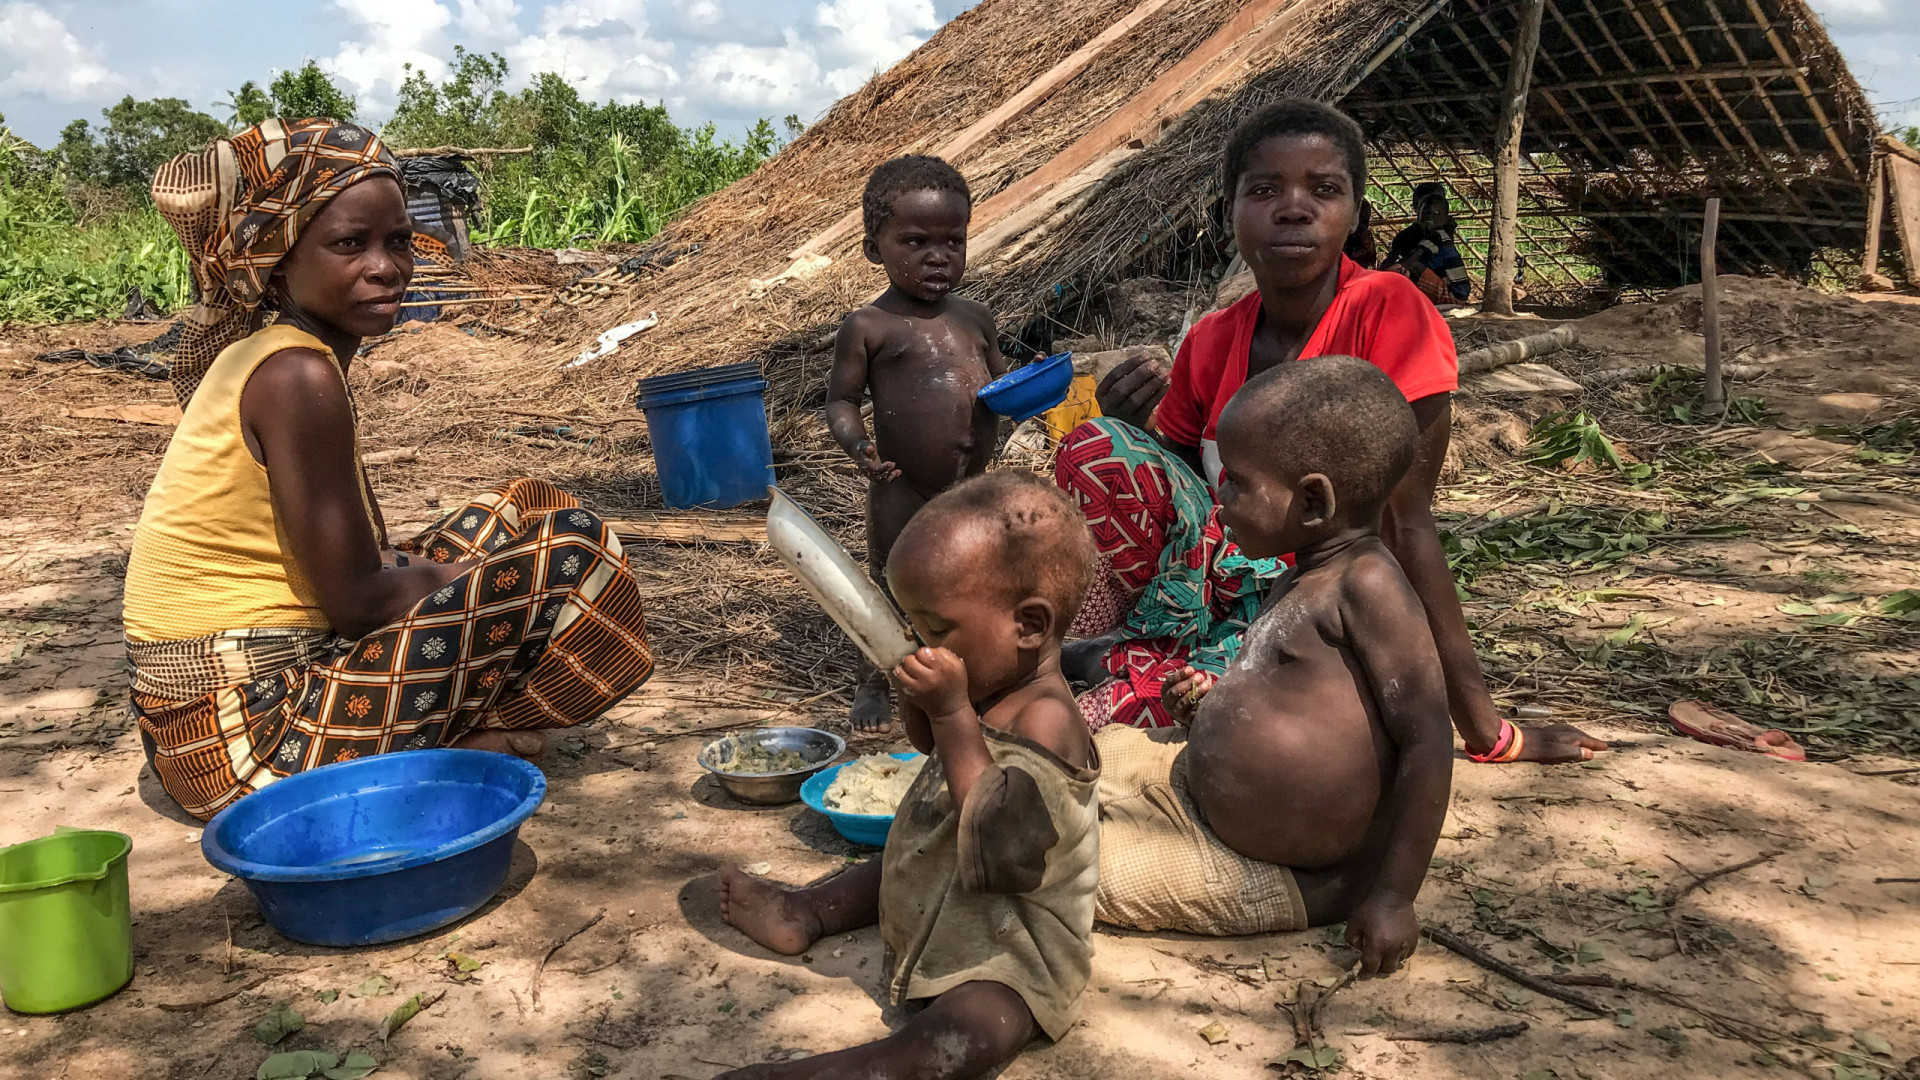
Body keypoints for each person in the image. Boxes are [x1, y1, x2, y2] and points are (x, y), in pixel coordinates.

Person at [125, 119, 654, 820]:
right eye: (350, 244)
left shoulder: (282, 355)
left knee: (526, 506)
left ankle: (444, 735)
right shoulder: (295, 377)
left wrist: (461, 577)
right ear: (279, 259)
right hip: (249, 748)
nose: (387, 266)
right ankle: (460, 739)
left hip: (205, 728)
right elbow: (358, 603)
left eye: (399, 240)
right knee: (571, 549)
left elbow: (361, 570)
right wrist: (482, 582)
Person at [1059, 98, 1601, 765]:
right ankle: (1117, 646)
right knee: (1096, 448)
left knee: (1141, 712)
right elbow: (1173, 503)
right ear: (1228, 214)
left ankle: (1123, 664)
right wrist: (1123, 424)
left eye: (1324, 189)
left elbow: (1407, 524)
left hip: (1322, 600)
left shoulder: (1389, 312)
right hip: (1207, 589)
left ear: (1355, 216)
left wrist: (1489, 731)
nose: (1293, 207)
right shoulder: (1210, 340)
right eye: (1264, 190)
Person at [716, 473, 1100, 1080]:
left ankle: (867, 1069)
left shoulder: (1047, 719)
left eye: (937, 630)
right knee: (895, 856)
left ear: (1028, 625)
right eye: (913, 628)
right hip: (946, 898)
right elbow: (932, 748)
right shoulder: (991, 679)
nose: (923, 645)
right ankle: (807, 910)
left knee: (974, 1029)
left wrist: (951, 711)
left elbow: (1002, 847)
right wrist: (923, 703)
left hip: (1011, 951)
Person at [1096, 356, 1450, 968]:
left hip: (1276, 874)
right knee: (1082, 754)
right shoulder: (1306, 570)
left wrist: (1394, 896)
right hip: (1197, 793)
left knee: (1062, 862)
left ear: (1313, 502)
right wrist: (1212, 700)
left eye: (1235, 481)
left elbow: (1427, 737)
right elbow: (1303, 691)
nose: (1219, 495)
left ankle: (1341, 893)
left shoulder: (1366, 585)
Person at [826, 155, 1007, 734]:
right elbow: (841, 402)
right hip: (901, 482)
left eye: (953, 241)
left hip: (971, 486)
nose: (938, 256)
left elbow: (1002, 387)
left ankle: (975, 673)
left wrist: (1027, 396)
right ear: (874, 250)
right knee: (886, 582)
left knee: (976, 578)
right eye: (916, 241)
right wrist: (859, 450)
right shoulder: (869, 326)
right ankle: (873, 682)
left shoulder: (976, 319)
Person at [1380, 181, 1472, 304]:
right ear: (1416, 207)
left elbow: (1412, 263)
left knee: (1409, 269)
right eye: (1427, 210)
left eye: (1437, 209)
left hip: (1450, 291)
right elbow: (1395, 260)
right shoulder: (1408, 236)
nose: (1431, 217)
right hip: (1442, 286)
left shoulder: (1439, 235)